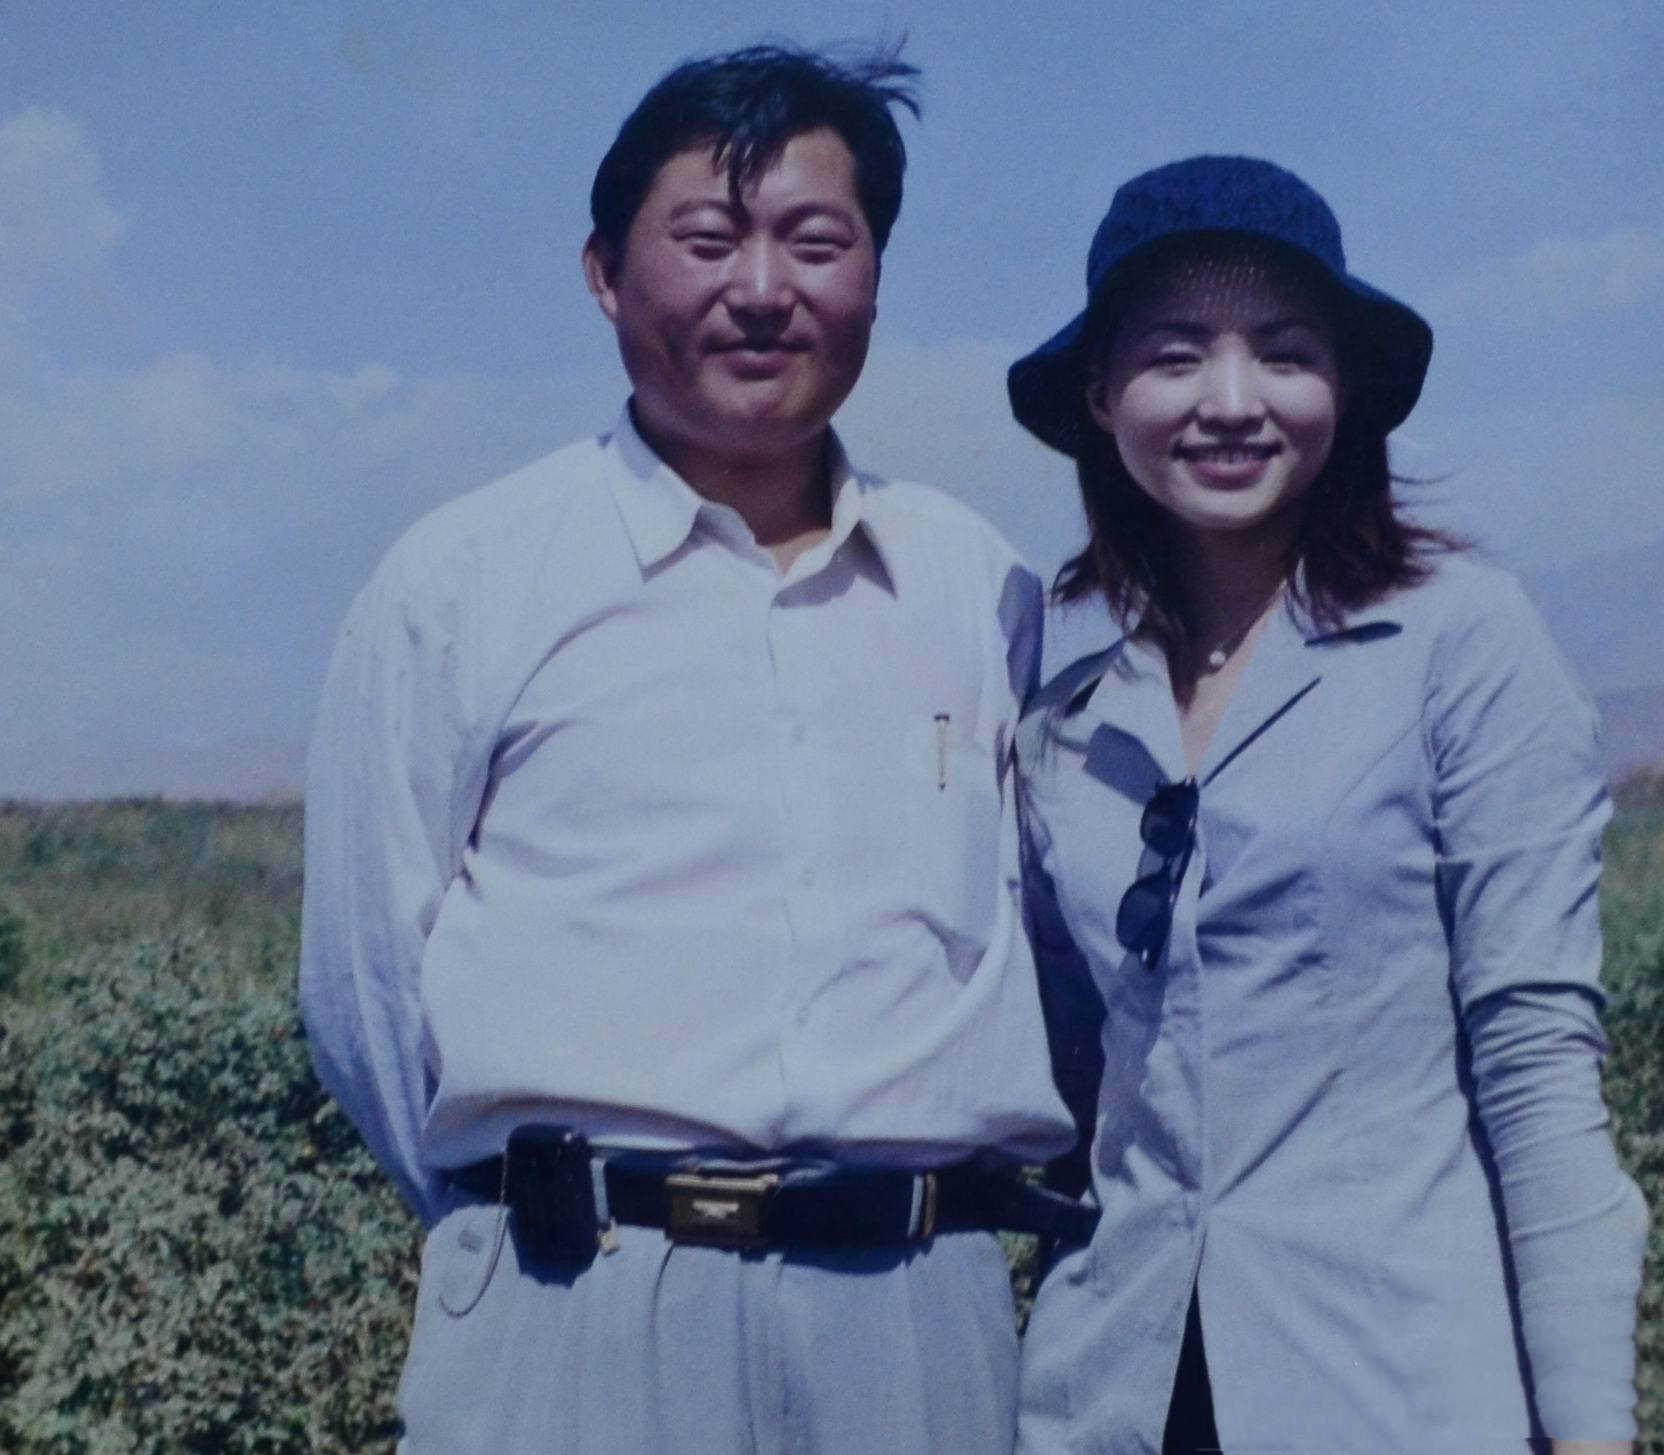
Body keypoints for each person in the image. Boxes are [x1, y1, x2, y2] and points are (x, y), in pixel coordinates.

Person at [300, 43, 1089, 1455]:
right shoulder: (462, 584)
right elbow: (363, 987)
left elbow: (1050, 941)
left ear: (876, 276)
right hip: (570, 1312)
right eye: (709, 240)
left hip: (914, 1324)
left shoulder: (981, 587)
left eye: (815, 242)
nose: (763, 289)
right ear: (605, 274)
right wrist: (543, 1221)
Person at [1006, 155, 1649, 1454]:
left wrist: (1592, 1432)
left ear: (1343, 390)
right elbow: (1077, 1082)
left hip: (1389, 1393)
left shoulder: (1462, 643)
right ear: (1101, 393)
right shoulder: (1064, 708)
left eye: (1284, 353)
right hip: (1110, 1395)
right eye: (1175, 355)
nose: (1231, 402)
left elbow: (1535, 1066)